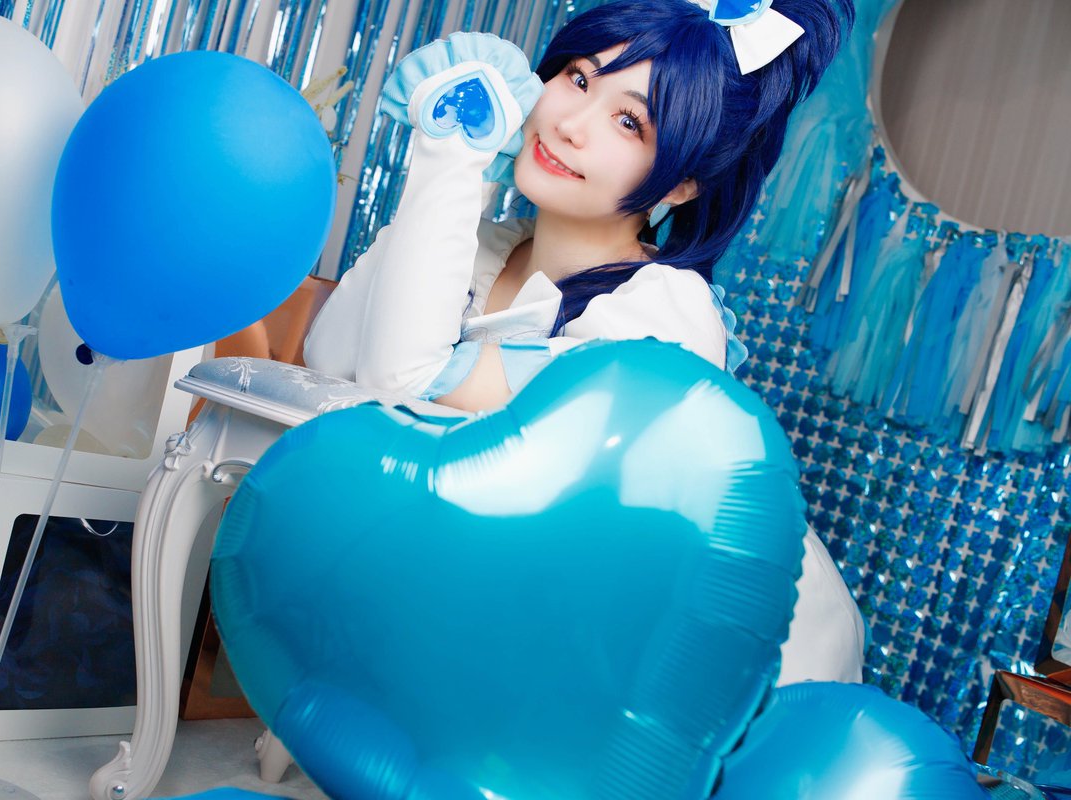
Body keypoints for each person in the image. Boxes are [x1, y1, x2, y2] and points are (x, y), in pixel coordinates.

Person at [306, 0, 865, 686]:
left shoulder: (660, 317)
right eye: (577, 78)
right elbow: (330, 360)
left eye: (629, 122)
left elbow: (401, 378)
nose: (569, 124)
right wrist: (458, 189)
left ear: (682, 182)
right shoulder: (481, 248)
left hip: (707, 684)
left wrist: (450, 156)